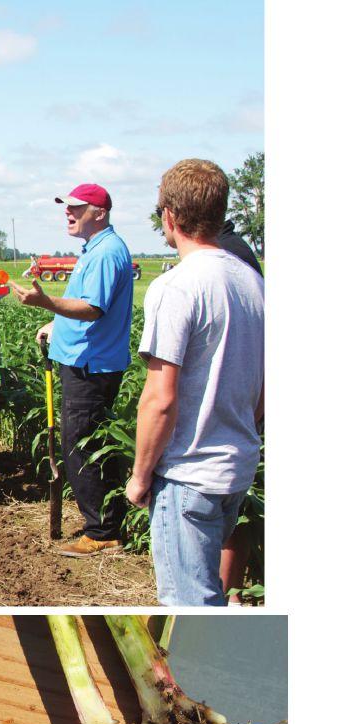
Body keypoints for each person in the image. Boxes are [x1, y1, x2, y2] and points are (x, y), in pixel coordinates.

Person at [124, 159, 264, 607]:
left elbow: (160, 400)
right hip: (236, 468)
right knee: (210, 596)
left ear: (169, 216)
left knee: (191, 605)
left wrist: (139, 476)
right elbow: (265, 388)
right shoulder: (253, 282)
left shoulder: (177, 287)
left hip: (188, 474)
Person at [9, 183, 134, 558]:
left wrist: (45, 302)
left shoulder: (106, 252)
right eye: (67, 207)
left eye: (77, 207)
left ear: (100, 213)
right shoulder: (95, 250)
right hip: (84, 361)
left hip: (91, 366)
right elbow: (83, 305)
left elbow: (93, 309)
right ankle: (105, 524)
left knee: (83, 446)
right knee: (83, 443)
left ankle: (102, 532)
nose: (69, 212)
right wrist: (56, 324)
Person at [214, 218, 263, 600]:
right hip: (243, 409)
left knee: (234, 510)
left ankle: (226, 595)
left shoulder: (227, 257)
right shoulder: (232, 251)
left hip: (236, 412)